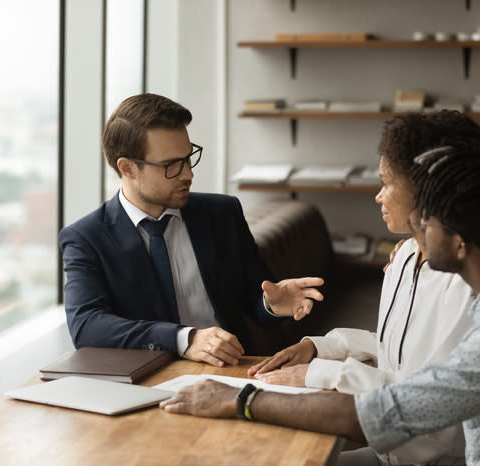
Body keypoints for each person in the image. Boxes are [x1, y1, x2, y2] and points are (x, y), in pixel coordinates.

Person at [160, 147, 480, 466]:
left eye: (424, 223)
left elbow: (378, 415)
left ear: (459, 239)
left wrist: (240, 399)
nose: (413, 235)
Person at [245, 111, 480, 466]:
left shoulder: (469, 281)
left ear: (426, 189)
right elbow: (395, 356)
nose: (379, 196)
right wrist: (322, 347)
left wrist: (319, 373)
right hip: (390, 453)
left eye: (386, 182)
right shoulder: (404, 258)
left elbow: (426, 401)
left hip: (444, 463)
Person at [59, 93, 324, 366]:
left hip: (230, 371)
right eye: (171, 165)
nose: (188, 174)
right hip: (148, 377)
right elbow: (87, 326)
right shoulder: (86, 238)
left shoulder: (223, 214)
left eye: (188, 158)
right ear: (127, 168)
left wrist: (272, 306)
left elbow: (257, 300)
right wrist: (184, 339)